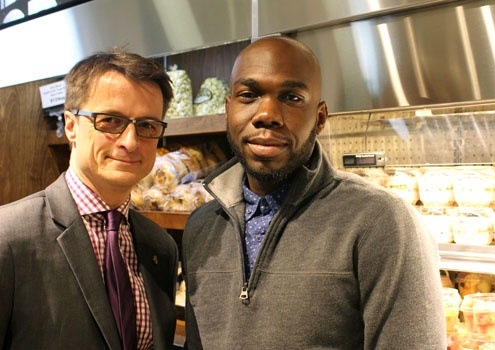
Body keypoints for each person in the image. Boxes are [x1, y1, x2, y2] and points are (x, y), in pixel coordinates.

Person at [182, 36, 445, 349]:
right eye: (249, 95)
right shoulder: (201, 228)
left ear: (320, 118)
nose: (267, 114)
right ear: (229, 109)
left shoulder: (380, 222)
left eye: (291, 97)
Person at [0, 49, 179, 350]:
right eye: (110, 120)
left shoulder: (160, 246)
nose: (130, 141)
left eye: (147, 125)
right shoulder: (10, 237)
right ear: (71, 125)